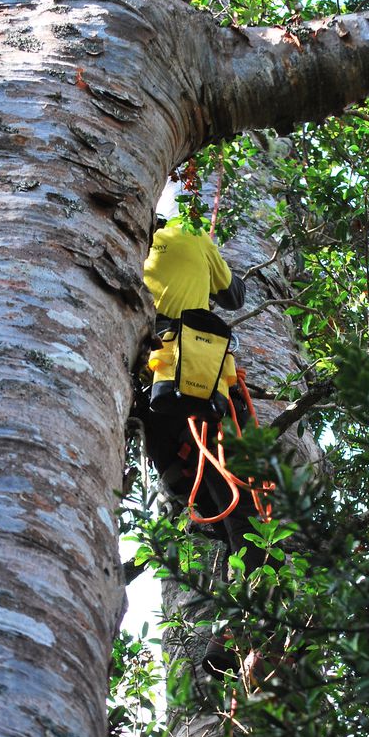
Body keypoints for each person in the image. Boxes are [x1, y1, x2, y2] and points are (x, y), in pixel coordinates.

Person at [136, 191, 266, 675]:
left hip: (149, 400)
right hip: (197, 381)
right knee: (247, 515)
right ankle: (246, 631)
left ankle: (225, 635)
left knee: (204, 504)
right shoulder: (188, 232)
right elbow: (234, 297)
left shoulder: (117, 246)